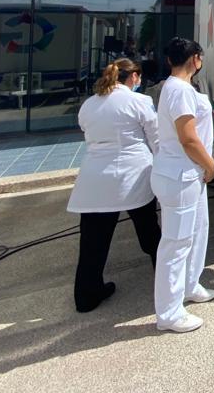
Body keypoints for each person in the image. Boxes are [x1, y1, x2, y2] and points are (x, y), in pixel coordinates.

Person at [68, 58, 161, 313]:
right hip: (133, 177)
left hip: (95, 180)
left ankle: (86, 296)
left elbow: (86, 131)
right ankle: (166, 283)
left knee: (92, 242)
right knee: (150, 234)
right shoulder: (139, 101)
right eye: (138, 77)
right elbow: (156, 139)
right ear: (134, 77)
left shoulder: (89, 104)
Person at [151, 37, 214, 333]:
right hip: (180, 175)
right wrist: (211, 165)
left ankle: (191, 284)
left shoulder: (180, 88)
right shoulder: (178, 90)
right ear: (195, 59)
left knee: (197, 231)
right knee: (176, 243)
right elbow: (188, 138)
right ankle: (169, 313)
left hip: (189, 175)